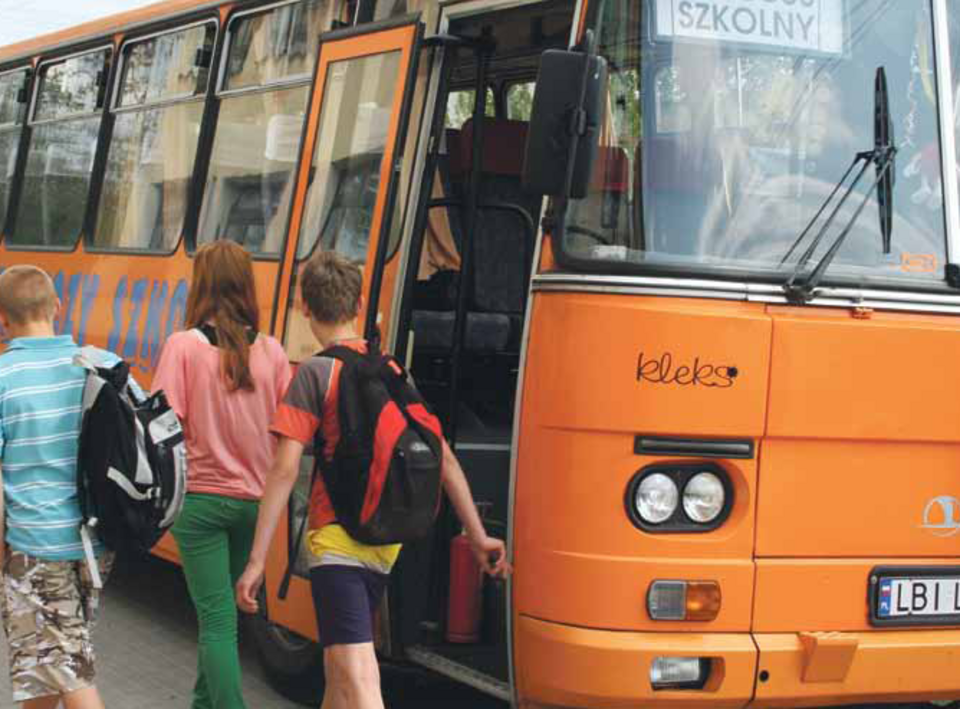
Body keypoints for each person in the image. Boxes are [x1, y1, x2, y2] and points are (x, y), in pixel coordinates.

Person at [235, 250, 511, 709]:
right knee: (337, 675)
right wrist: (477, 535)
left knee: (360, 680)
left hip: (337, 542)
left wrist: (257, 560)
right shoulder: (392, 369)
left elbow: (284, 471)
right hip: (386, 541)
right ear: (361, 304)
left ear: (304, 307)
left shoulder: (316, 373)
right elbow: (442, 457)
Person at [153, 241, 292, 709]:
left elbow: (163, 425)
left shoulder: (183, 347)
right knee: (222, 615)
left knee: (216, 622)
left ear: (202, 284)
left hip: (200, 504)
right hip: (255, 506)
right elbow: (288, 429)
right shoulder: (273, 352)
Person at [0, 265, 130, 709]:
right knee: (48, 665)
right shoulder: (104, 364)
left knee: (65, 668)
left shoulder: (4, 377)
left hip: (36, 546)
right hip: (97, 545)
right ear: (58, 306)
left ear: (3, 318)